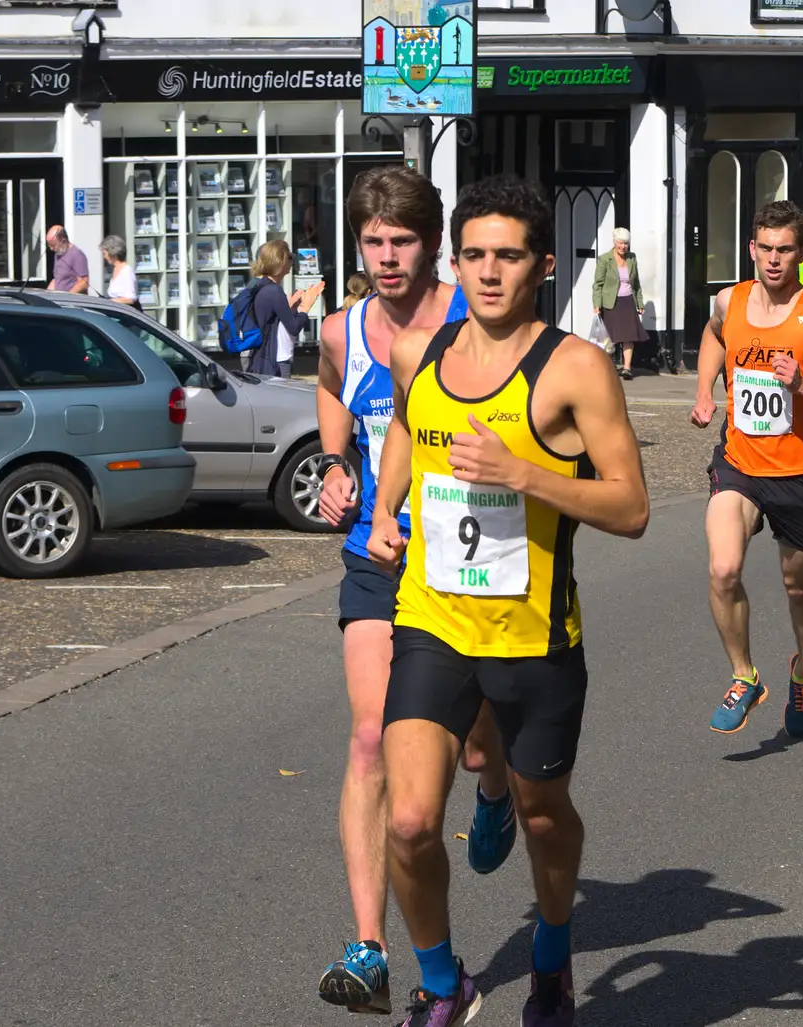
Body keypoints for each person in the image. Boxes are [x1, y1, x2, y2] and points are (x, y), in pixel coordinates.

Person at [370, 174, 649, 1027]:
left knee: (542, 811)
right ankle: (441, 982)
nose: (490, 273)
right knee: (412, 818)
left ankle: (553, 956)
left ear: (545, 267)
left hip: (533, 636)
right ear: (455, 262)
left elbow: (632, 507)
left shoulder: (575, 368)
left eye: (510, 256)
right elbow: (407, 431)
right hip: (432, 619)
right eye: (476, 255)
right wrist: (386, 510)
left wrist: (524, 473)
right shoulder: (421, 350)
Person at [312, 165, 512, 1017]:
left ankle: (496, 783)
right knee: (368, 738)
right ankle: (369, 948)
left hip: (470, 561)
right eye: (372, 241)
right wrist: (334, 465)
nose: (386, 258)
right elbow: (331, 392)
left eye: (401, 241)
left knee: (471, 749)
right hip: (378, 556)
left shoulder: (477, 321)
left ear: (432, 244)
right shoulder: (340, 328)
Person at [691, 199, 803, 740]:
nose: (773, 260)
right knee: (723, 569)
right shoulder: (730, 300)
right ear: (752, 248)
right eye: (764, 248)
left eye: (784, 250)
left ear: (802, 250)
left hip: (798, 471)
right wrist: (703, 391)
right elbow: (713, 338)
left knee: (798, 584)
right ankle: (744, 677)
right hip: (739, 462)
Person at [247, 240, 323, 378]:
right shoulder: (274, 291)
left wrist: (291, 306)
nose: (292, 262)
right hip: (274, 359)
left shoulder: (260, 285)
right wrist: (306, 306)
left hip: (260, 356)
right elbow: (293, 327)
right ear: (280, 262)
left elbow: (273, 318)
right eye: (289, 258)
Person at [592, 227, 647, 380]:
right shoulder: (604, 259)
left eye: (626, 244)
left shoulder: (631, 258)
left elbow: (636, 283)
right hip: (610, 302)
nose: (623, 247)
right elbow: (598, 284)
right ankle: (609, 366)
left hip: (628, 301)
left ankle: (627, 368)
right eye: (620, 243)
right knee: (610, 337)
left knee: (628, 336)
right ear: (614, 242)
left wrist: (640, 303)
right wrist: (597, 305)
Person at [46, 226, 89, 294]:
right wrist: (47, 294)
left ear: (63, 241)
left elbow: (84, 282)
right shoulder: (59, 253)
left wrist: (68, 296)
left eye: (53, 245)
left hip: (72, 301)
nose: (51, 248)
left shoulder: (77, 255)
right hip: (59, 300)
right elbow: (57, 279)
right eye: (49, 245)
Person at [100, 235, 139, 309]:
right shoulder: (115, 269)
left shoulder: (127, 271)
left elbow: (130, 299)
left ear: (112, 253)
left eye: (104, 254)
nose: (104, 257)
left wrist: (108, 302)